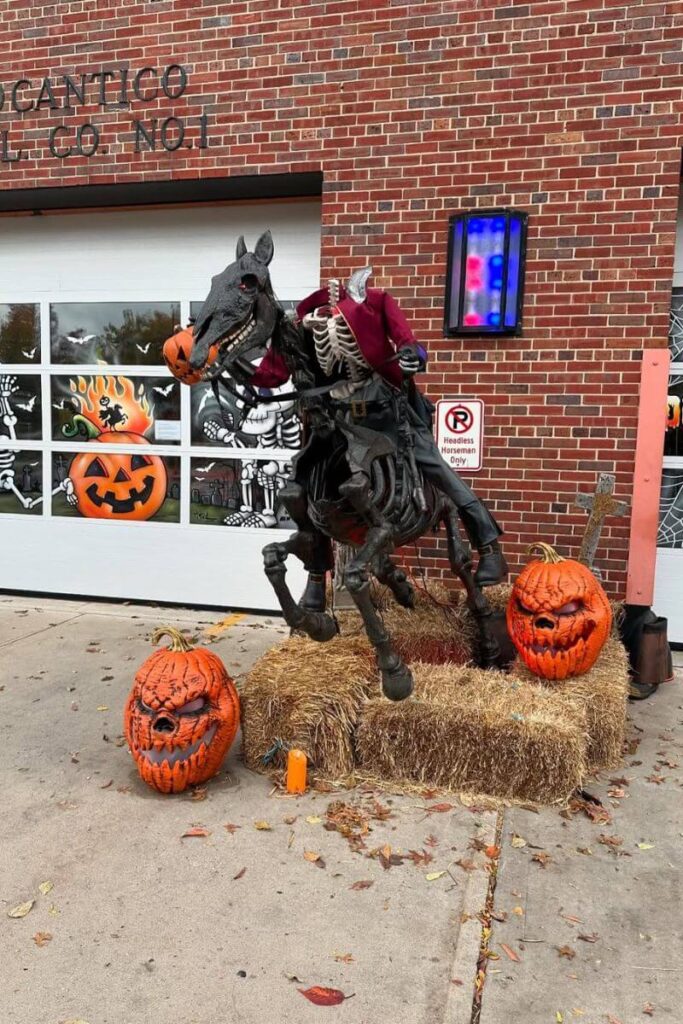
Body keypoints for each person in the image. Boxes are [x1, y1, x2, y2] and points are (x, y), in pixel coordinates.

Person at [249, 274, 508, 587]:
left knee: (437, 468)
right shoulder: (305, 322)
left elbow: (408, 343)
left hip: (387, 413)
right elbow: (269, 374)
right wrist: (221, 361)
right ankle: (316, 576)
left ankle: (489, 547)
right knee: (301, 481)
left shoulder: (379, 302)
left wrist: (414, 357)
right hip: (341, 420)